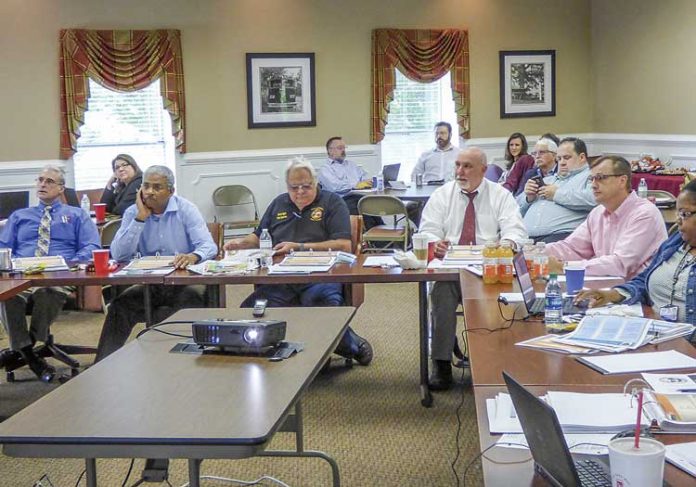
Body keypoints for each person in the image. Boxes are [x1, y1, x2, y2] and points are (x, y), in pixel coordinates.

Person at [224, 157, 373, 366]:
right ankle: (296, 350)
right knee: (249, 312)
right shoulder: (278, 203)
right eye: (295, 187)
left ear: (316, 182)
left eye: (306, 186)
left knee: (319, 308)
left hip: (322, 277)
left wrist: (299, 247)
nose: (300, 192)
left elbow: (344, 245)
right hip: (280, 280)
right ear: (287, 186)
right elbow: (259, 236)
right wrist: (240, 243)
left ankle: (353, 345)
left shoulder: (332, 203)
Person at [419, 147, 527, 390]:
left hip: (490, 269)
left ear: (483, 170)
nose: (460, 171)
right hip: (452, 270)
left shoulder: (500, 195)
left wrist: (507, 243)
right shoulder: (442, 195)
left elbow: (516, 230)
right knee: (441, 294)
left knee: (499, 298)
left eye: (467, 166)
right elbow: (426, 230)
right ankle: (442, 362)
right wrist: (436, 243)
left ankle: (494, 361)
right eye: (457, 165)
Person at [95, 165, 218, 361]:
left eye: (157, 187)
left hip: (183, 282)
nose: (150, 192)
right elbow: (118, 254)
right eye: (146, 186)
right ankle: (99, 367)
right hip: (149, 283)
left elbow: (208, 246)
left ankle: (183, 363)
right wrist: (140, 219)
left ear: (171, 191)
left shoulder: (186, 210)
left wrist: (192, 256)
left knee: (185, 304)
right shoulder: (132, 213)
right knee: (119, 307)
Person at [0, 165, 100, 382]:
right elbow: (3, 246)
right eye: (40, 180)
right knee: (9, 296)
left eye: (49, 181)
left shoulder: (76, 214)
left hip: (59, 273)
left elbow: (91, 246)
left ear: (61, 188)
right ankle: (28, 351)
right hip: (22, 273)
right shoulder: (19, 216)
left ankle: (28, 344)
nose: (43, 184)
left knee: (49, 292)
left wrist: (68, 263)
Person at [575, 180, 696, 325]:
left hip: (686, 343)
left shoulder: (645, 214)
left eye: (684, 214)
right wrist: (611, 295)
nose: (678, 221)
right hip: (656, 331)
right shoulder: (675, 243)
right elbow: (645, 281)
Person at [546, 155, 667, 280]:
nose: (593, 185)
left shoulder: (645, 214)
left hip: (637, 293)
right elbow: (572, 248)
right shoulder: (597, 213)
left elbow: (620, 264)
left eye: (600, 178)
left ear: (622, 181)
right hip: (607, 288)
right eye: (591, 179)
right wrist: (536, 252)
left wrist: (564, 267)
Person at [517, 137, 596, 243]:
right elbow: (515, 210)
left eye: (567, 158)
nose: (562, 163)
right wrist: (528, 198)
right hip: (525, 237)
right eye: (559, 159)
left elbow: (595, 199)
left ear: (582, 157)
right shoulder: (548, 179)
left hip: (562, 236)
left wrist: (557, 194)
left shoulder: (592, 177)